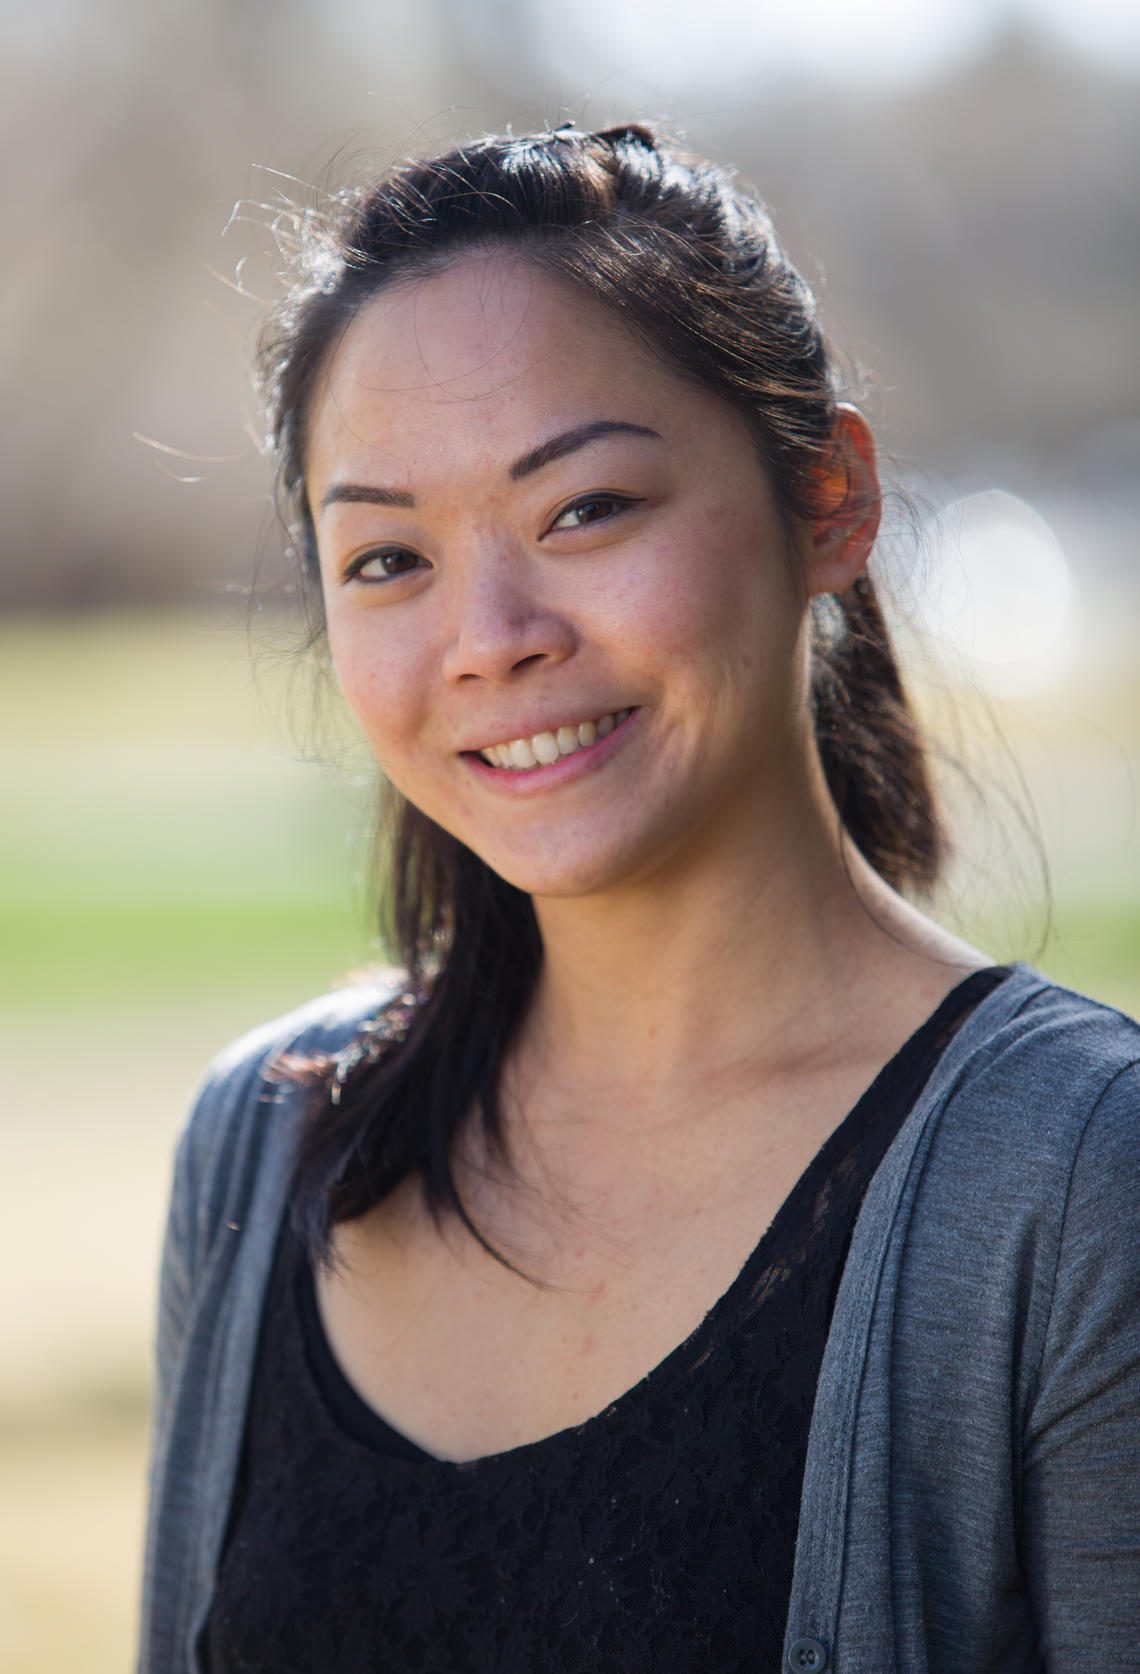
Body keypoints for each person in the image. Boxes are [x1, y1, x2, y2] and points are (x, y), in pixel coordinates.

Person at [138, 125, 1140, 1674]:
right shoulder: (263, 1142)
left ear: (832, 500)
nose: (489, 636)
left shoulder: (1076, 1186)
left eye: (587, 509)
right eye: (390, 555)